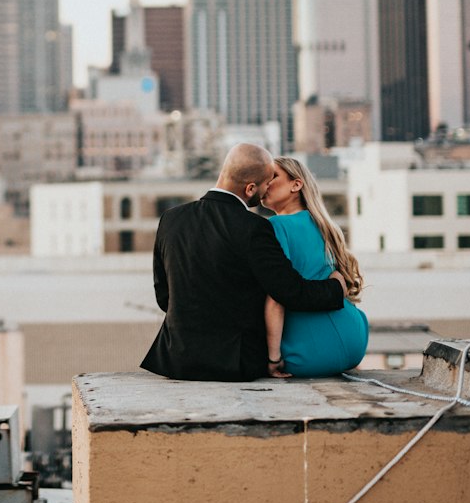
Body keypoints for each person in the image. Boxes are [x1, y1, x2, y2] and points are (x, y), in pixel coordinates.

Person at [140, 143, 346, 382]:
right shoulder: (254, 228)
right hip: (235, 364)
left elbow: (163, 296)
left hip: (176, 360)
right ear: (250, 188)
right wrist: (335, 288)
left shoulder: (171, 219)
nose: (268, 189)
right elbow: (289, 291)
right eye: (267, 183)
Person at [263, 156, 369, 378]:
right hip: (356, 342)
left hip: (309, 355)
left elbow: (277, 298)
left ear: (296, 184)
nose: (266, 182)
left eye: (273, 176)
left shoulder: (276, 225)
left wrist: (273, 359)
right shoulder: (324, 224)